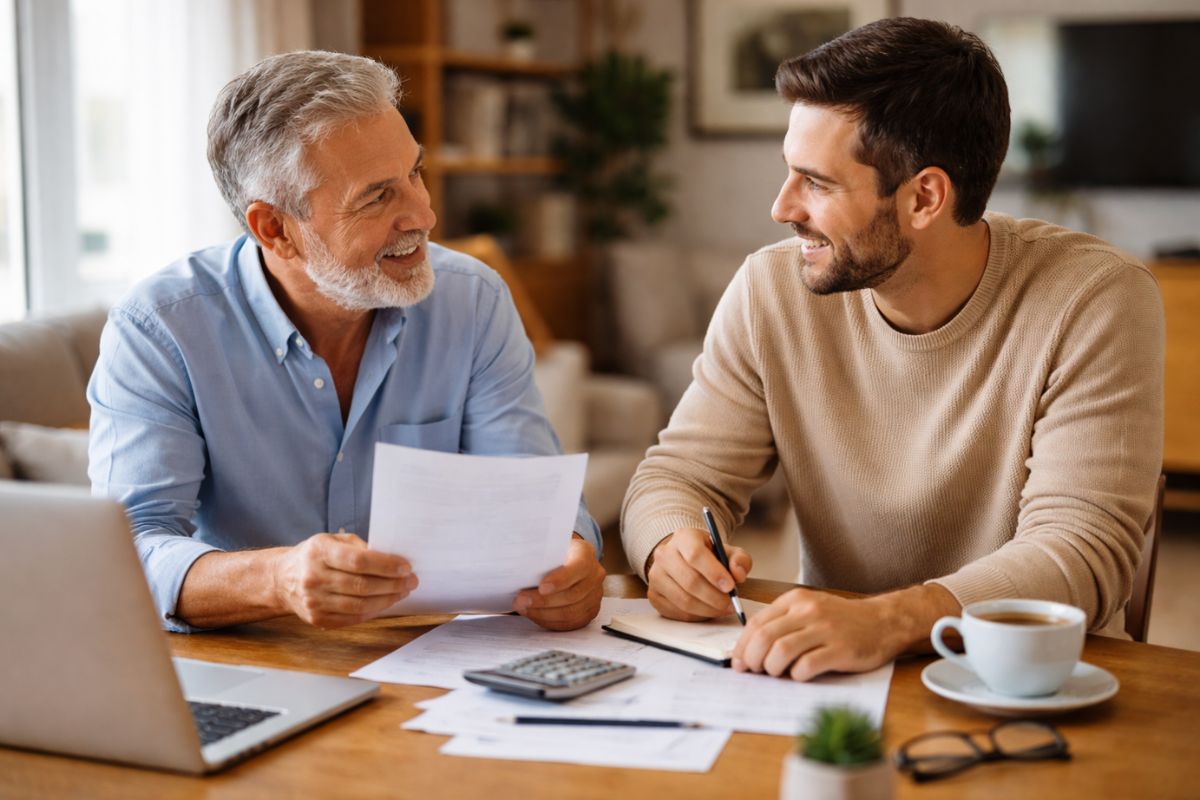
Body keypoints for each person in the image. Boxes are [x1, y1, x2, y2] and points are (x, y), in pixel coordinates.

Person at [621, 17, 1163, 681]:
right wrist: (669, 546)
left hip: (1021, 682)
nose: (781, 207)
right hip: (830, 677)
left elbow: (1082, 549)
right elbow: (679, 473)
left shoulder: (1094, 297)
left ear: (924, 197)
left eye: (815, 182)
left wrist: (889, 621)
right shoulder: (771, 289)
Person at [88, 51, 604, 634]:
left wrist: (570, 562)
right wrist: (278, 579)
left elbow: (531, 497)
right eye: (378, 196)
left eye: (415, 173)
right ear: (275, 229)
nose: (424, 214)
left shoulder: (474, 299)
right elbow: (127, 551)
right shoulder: (160, 328)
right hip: (250, 655)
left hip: (434, 655)